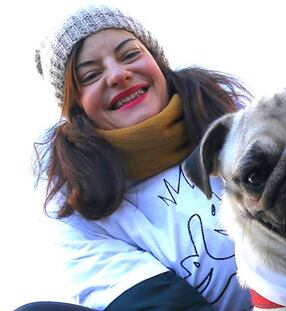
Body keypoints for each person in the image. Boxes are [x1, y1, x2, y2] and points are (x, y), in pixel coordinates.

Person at [18, 4, 253, 311]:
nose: (118, 75)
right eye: (90, 75)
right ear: (76, 110)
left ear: (158, 63)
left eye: (129, 54)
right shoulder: (77, 212)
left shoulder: (233, 114)